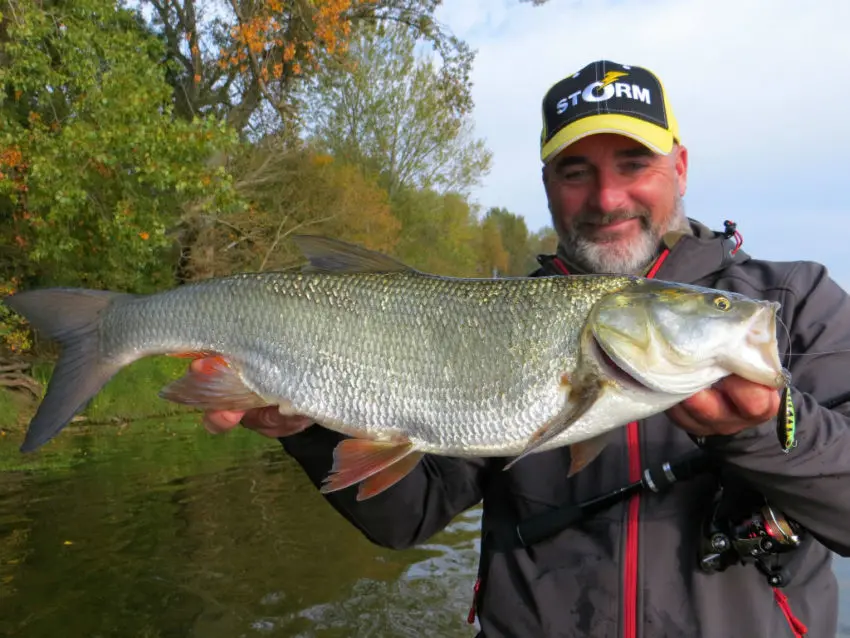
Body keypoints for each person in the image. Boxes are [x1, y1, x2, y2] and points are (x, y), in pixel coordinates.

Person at [198, 60, 850, 637]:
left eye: (634, 164)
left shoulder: (792, 301)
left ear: (679, 168)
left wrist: (764, 432)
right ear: (546, 184)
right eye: (576, 170)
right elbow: (407, 517)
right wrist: (309, 425)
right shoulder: (503, 315)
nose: (607, 197)